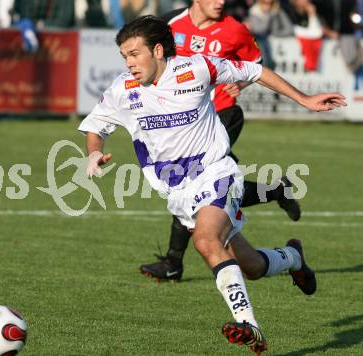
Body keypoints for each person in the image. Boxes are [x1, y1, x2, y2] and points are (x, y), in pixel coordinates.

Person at [78, 15, 345, 353]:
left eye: (135, 54)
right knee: (251, 266)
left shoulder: (199, 67)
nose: (129, 63)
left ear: (158, 50)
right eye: (124, 57)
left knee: (206, 241)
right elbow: (96, 125)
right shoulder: (123, 88)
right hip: (178, 193)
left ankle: (250, 326)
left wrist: (304, 100)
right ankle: (293, 257)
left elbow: (254, 70)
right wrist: (94, 153)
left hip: (217, 172)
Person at [140, 0, 299, 283]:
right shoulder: (169, 23)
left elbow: (257, 64)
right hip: (186, 121)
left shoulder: (235, 30)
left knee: (192, 182)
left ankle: (174, 262)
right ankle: (276, 191)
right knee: (209, 185)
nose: (221, 2)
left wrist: (242, 83)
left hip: (222, 113)